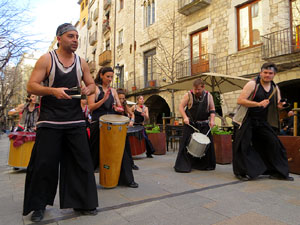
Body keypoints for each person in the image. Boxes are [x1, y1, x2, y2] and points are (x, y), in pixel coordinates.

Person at [23, 23, 98, 222]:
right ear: (59, 38)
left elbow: (91, 84)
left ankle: (83, 202)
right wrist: (52, 91)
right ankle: (38, 206)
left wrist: (89, 90)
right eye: (70, 36)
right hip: (50, 121)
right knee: (44, 164)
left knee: (81, 162)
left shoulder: (81, 62)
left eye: (76, 36)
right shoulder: (47, 59)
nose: (75, 40)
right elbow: (31, 85)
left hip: (75, 120)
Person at [232, 62, 293, 181]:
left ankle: (277, 172)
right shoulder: (252, 84)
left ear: (274, 74)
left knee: (274, 143)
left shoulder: (275, 88)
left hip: (262, 121)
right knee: (243, 145)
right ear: (261, 73)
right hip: (246, 119)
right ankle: (241, 172)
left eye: (270, 73)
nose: (267, 75)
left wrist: (283, 105)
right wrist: (258, 104)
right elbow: (240, 100)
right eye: (265, 72)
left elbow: (278, 105)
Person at [88, 67, 138, 188]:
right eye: (108, 76)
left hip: (113, 123)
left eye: (111, 77)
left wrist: (118, 108)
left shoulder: (113, 91)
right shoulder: (94, 88)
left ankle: (127, 179)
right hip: (98, 123)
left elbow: (119, 107)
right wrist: (103, 99)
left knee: (122, 150)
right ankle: (86, 181)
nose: (110, 79)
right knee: (93, 152)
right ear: (101, 75)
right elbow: (90, 107)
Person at [174, 78, 216, 172]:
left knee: (207, 144)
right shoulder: (188, 95)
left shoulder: (209, 96)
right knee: (185, 143)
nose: (196, 91)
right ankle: (183, 165)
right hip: (190, 123)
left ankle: (204, 165)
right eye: (195, 89)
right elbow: (181, 107)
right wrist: (185, 117)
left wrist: (212, 120)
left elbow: (212, 109)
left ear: (203, 87)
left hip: (204, 124)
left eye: (199, 89)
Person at [117, 88, 139, 170]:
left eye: (123, 98)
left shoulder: (125, 105)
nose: (122, 100)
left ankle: (131, 164)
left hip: (124, 129)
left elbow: (132, 114)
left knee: (127, 147)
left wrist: (131, 122)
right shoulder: (113, 105)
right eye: (120, 98)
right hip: (116, 130)